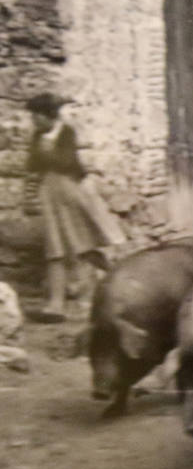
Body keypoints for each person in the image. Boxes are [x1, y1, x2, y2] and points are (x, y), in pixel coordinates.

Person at [24, 92, 125, 322]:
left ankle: (101, 291)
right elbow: (31, 164)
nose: (34, 121)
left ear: (48, 116)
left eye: (37, 116)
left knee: (83, 245)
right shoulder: (39, 135)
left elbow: (68, 163)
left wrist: (47, 150)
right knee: (55, 248)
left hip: (71, 191)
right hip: (50, 193)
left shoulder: (66, 133)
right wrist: (41, 152)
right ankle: (55, 305)